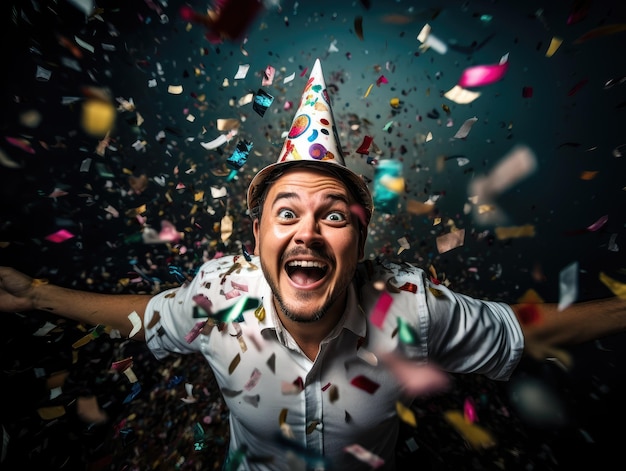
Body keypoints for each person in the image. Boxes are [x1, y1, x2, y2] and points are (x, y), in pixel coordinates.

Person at [0, 58, 624, 471]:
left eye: (332, 215)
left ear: (360, 234)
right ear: (257, 233)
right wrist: (35, 294)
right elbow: (147, 316)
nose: (308, 233)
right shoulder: (218, 296)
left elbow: (524, 330)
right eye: (287, 213)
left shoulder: (410, 305)